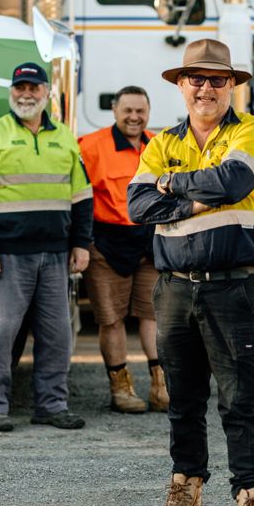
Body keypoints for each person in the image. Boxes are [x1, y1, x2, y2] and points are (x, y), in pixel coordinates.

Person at [128, 39, 254, 506]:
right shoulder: (161, 140)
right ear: (181, 84)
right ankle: (185, 496)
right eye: (197, 79)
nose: (207, 88)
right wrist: (191, 199)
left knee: (241, 402)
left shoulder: (253, 132)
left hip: (234, 286)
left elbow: (234, 180)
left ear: (232, 85)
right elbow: (137, 203)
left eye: (217, 79)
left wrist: (172, 185)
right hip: (173, 289)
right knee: (183, 401)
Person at [0, 61, 93, 432]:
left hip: (55, 255)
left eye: (34, 88)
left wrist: (81, 244)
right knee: (1, 334)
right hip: (7, 256)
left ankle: (52, 406)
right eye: (20, 88)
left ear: (46, 93)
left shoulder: (64, 137)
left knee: (57, 335)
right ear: (11, 92)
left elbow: (82, 196)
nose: (27, 94)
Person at [78, 86, 168, 414]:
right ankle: (121, 388)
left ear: (148, 112)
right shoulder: (91, 146)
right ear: (115, 110)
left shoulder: (157, 144)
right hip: (106, 244)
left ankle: (160, 385)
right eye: (127, 110)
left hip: (148, 243)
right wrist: (82, 241)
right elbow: (80, 196)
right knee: (111, 319)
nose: (134, 117)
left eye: (140, 111)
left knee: (152, 315)